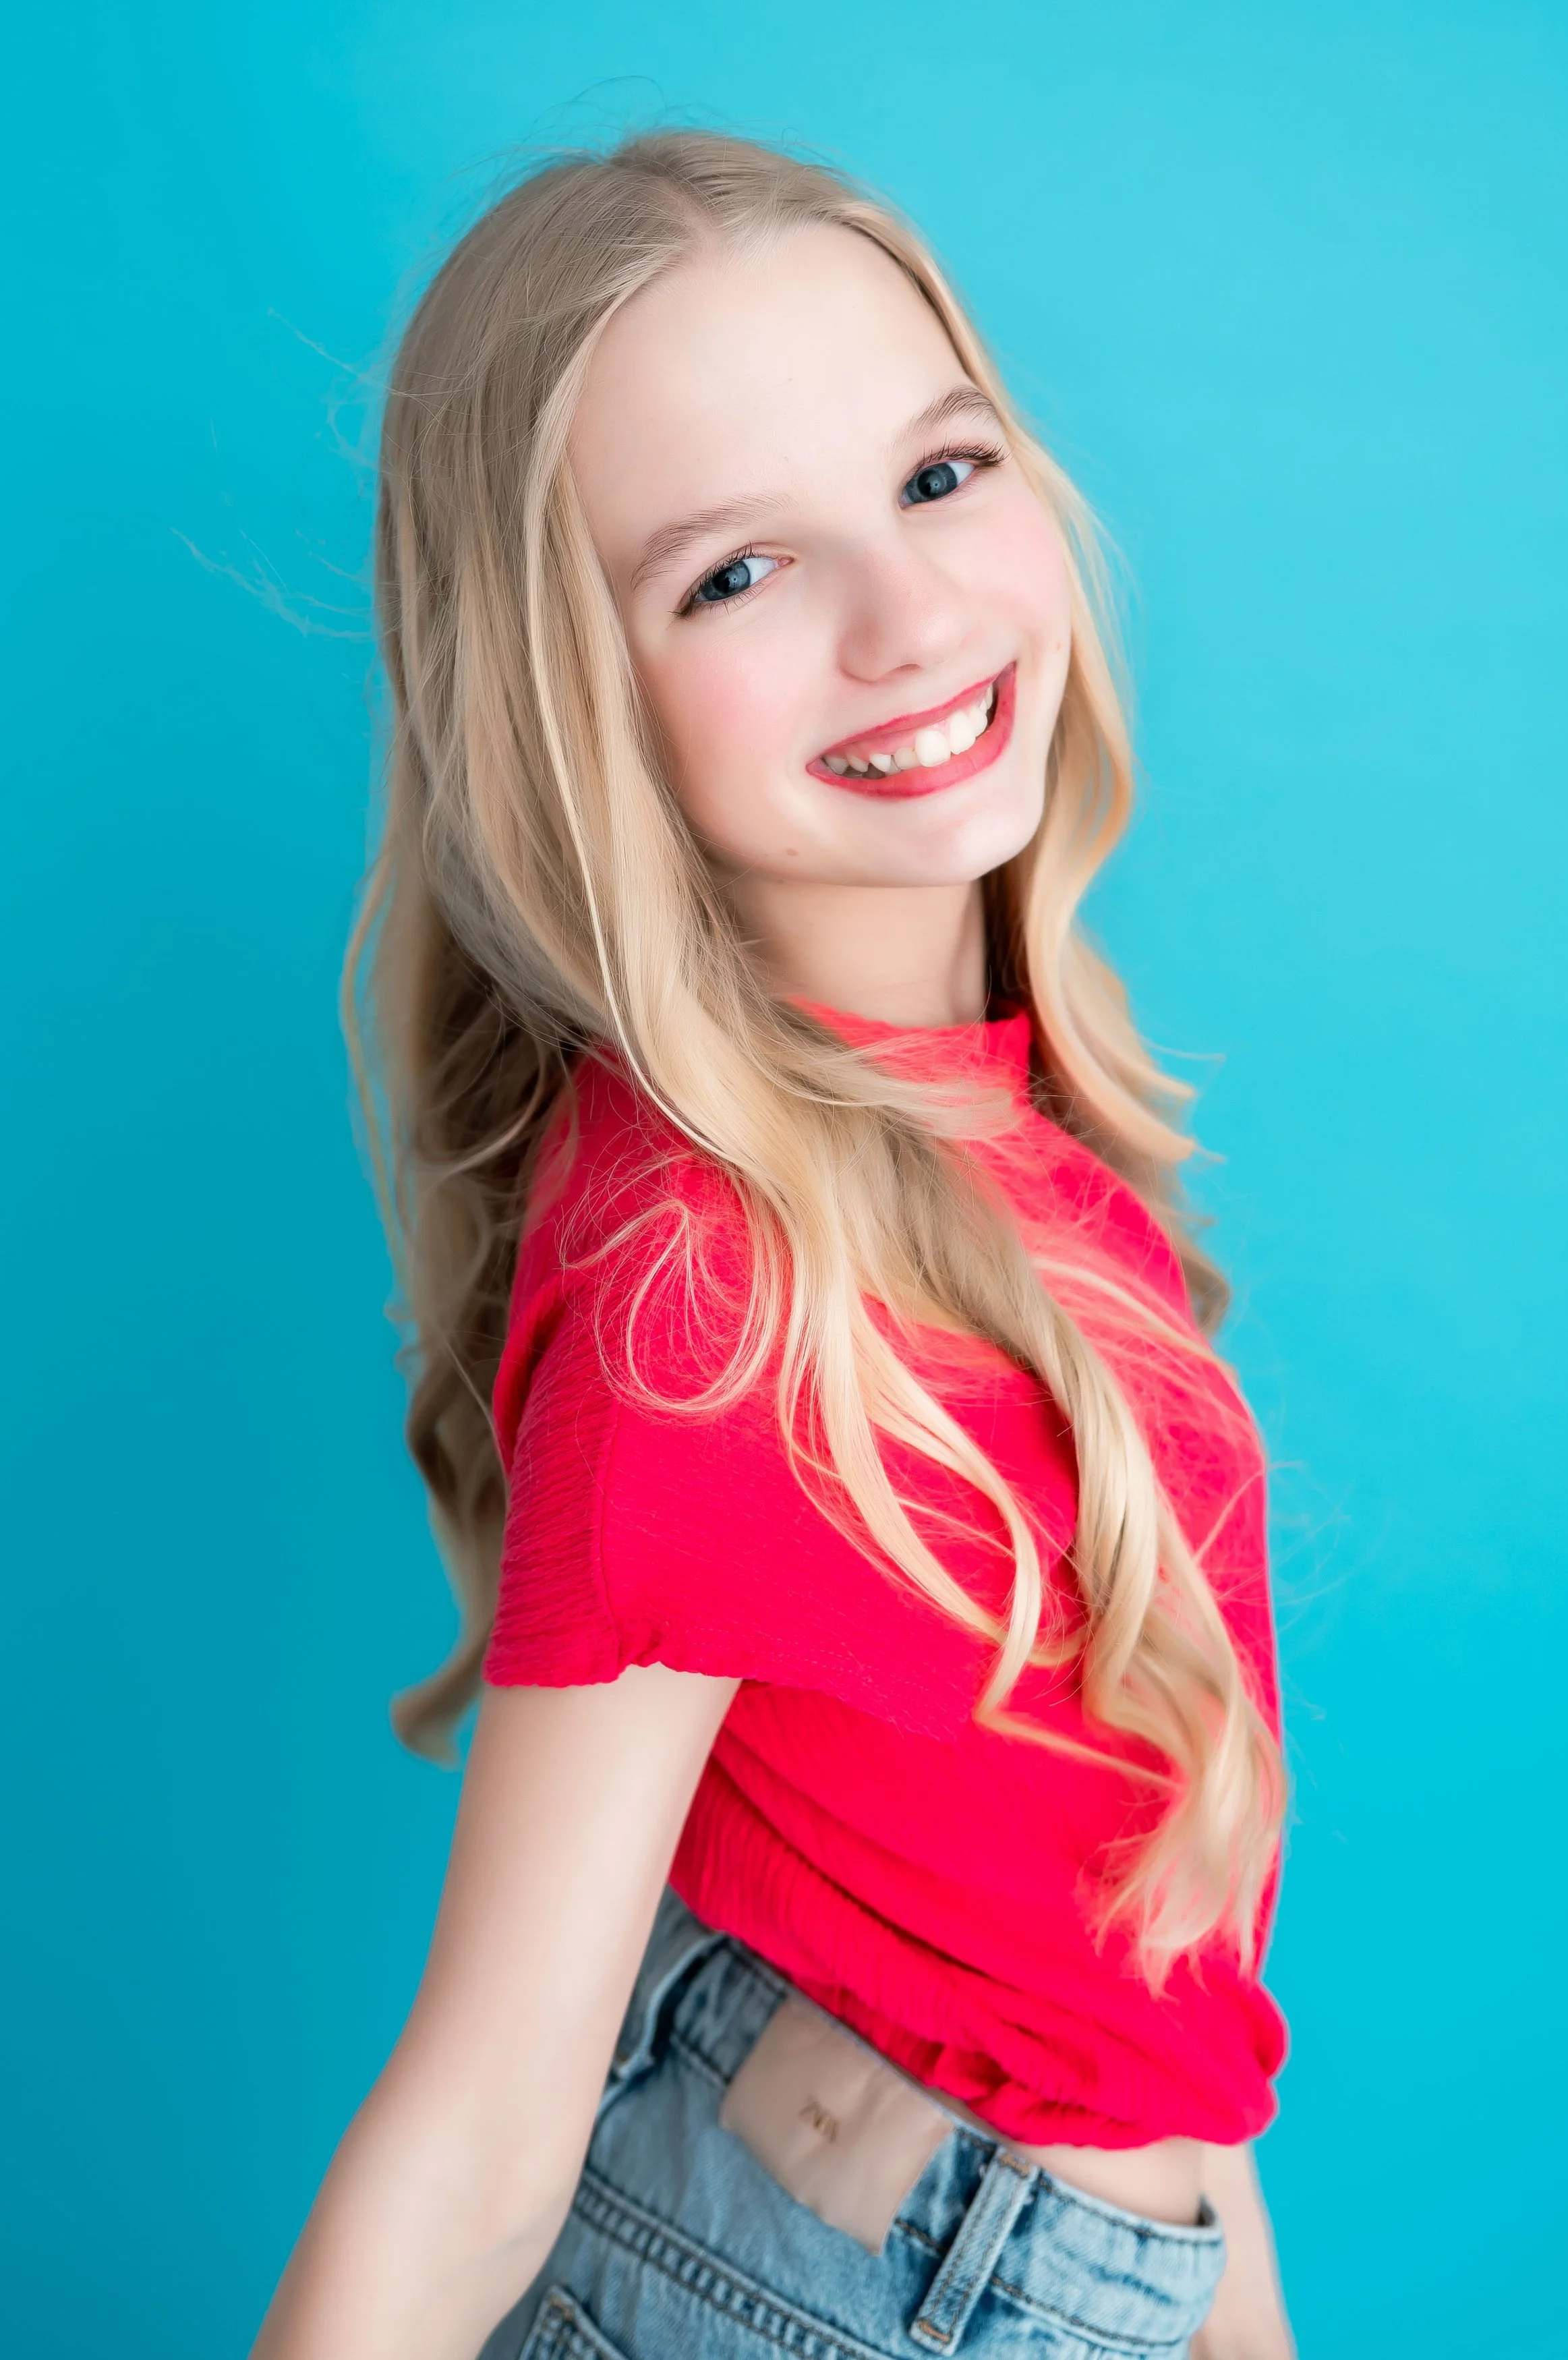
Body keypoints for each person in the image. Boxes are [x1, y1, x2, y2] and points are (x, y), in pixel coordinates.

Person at [253, 131, 1297, 2360]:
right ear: (575, 707)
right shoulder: (703, 1298)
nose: (907, 616)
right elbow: (474, 2128)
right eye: (733, 573)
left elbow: (1142, 1980)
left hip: (1060, 2272)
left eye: (936, 476)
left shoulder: (1007, 1138)